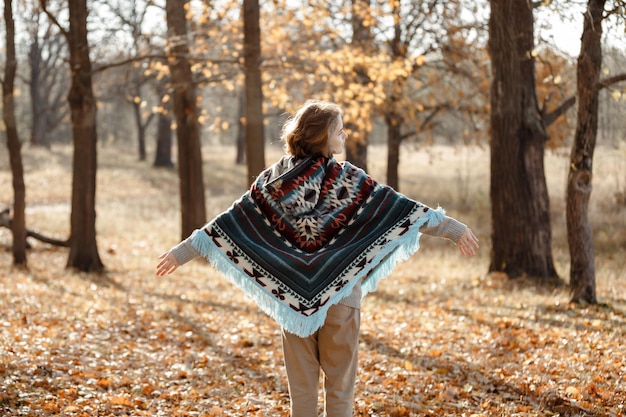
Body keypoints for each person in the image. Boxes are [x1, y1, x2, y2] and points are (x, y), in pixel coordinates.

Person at [156, 99, 479, 417]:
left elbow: (228, 224)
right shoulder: (347, 179)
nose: (345, 135)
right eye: (339, 130)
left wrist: (182, 252)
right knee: (340, 389)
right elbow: (402, 211)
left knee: (302, 392)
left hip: (291, 302)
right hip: (342, 299)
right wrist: (451, 228)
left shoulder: (273, 180)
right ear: (322, 136)